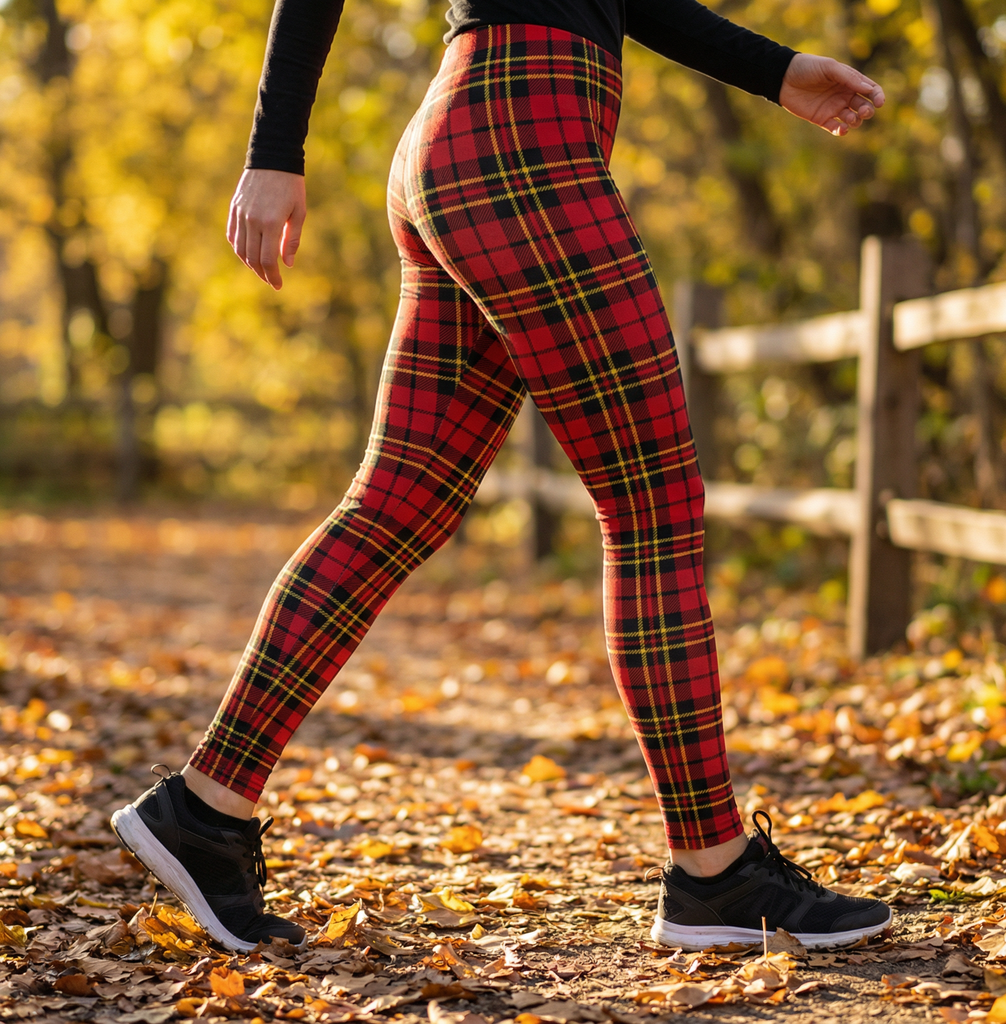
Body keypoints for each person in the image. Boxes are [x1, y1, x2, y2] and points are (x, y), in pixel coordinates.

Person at [112, 0, 892, 954]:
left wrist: (775, 70)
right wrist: (274, 149)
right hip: (522, 140)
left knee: (393, 506)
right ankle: (715, 870)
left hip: (470, 139)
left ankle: (206, 810)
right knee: (653, 511)